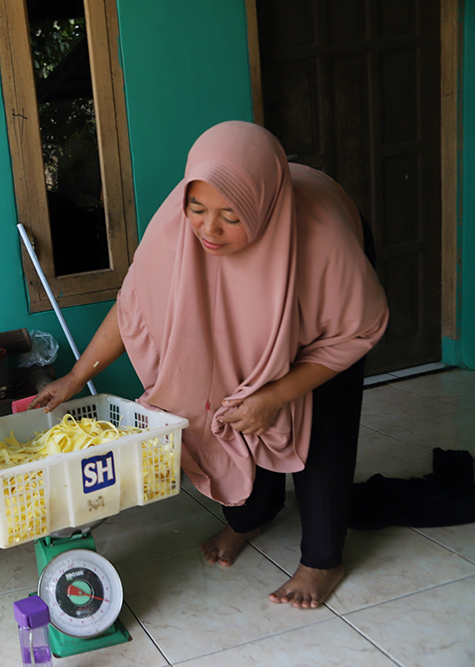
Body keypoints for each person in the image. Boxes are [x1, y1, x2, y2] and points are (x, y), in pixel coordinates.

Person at [31, 121, 389, 609]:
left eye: (229, 216)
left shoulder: (323, 236)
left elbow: (358, 329)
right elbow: (133, 304)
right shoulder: (175, 226)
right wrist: (76, 377)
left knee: (318, 414)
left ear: (259, 208)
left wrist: (277, 393)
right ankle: (250, 515)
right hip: (248, 295)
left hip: (319, 305)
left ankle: (322, 559)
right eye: (197, 209)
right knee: (225, 395)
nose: (209, 230)